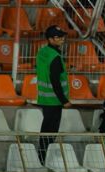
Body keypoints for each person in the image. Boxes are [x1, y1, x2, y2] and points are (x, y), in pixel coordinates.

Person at [35, 26, 71, 161]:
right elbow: (55, 81)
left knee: (45, 130)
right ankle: (44, 159)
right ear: (50, 39)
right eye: (58, 37)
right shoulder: (55, 57)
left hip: (45, 98)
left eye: (62, 36)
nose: (62, 39)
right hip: (55, 100)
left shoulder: (42, 52)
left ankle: (41, 157)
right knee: (51, 132)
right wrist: (64, 100)